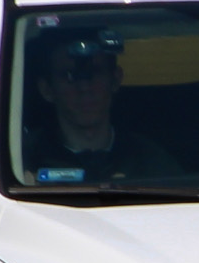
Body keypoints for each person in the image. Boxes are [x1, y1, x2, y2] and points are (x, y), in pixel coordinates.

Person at [16, 26, 179, 182]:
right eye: (70, 76)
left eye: (94, 72)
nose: (84, 88)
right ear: (46, 89)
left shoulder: (150, 161)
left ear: (115, 80)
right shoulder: (21, 162)